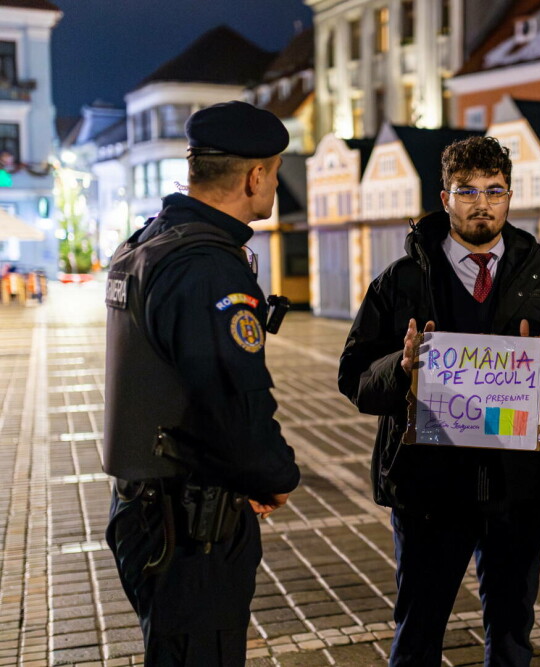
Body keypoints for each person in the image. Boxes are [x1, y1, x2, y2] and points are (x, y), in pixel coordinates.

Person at [339, 136, 540, 666]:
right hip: (428, 490)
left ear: (510, 196)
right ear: (445, 198)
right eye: (467, 191)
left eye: (494, 190)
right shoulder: (402, 280)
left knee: (511, 635)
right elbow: (354, 378)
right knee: (419, 632)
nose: (482, 203)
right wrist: (403, 366)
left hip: (516, 489)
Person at [103, 101, 300, 664]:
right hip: (188, 526)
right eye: (276, 172)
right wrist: (274, 474)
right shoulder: (206, 265)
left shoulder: (150, 242)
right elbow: (232, 397)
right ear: (255, 175)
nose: (274, 185)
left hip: (146, 506)